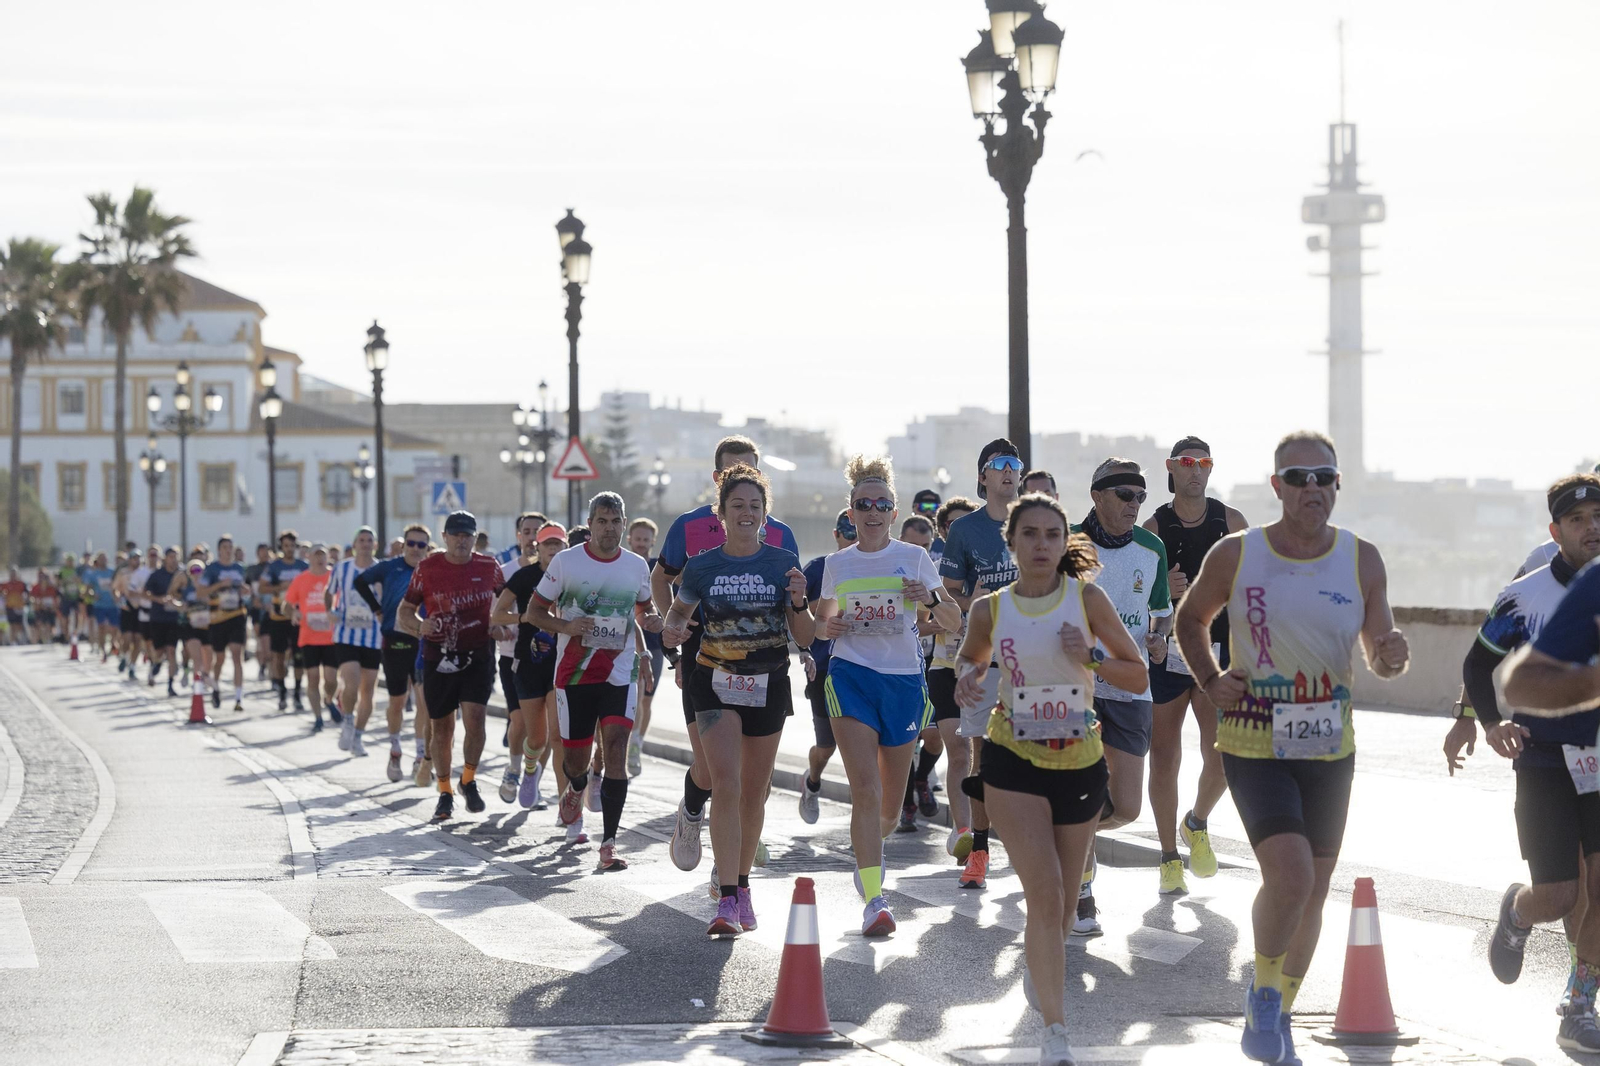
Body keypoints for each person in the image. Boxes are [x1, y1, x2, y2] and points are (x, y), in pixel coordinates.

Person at [1175, 429, 1409, 1063]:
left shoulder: (1362, 558)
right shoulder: (1237, 553)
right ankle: (1266, 993)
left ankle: (1276, 1000)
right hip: (1254, 740)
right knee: (1292, 874)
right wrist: (1210, 679)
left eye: (1324, 478)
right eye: (1299, 478)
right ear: (1276, 487)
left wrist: (1390, 655)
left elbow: (1379, 648)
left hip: (1331, 747)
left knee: (1314, 889)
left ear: (1337, 485)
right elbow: (1190, 618)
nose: (1313, 489)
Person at [955, 493, 1147, 1066]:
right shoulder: (992, 608)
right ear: (1011, 542)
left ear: (1065, 544)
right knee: (1043, 893)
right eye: (1031, 534)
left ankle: (1043, 964)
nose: (1042, 544)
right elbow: (971, 659)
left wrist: (1088, 658)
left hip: (1079, 760)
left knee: (1062, 902)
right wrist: (968, 680)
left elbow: (1136, 676)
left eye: (1052, 535)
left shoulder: (1086, 599)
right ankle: (1055, 1032)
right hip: (1013, 758)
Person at [1465, 476, 1600, 1051]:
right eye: (1578, 520)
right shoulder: (1525, 594)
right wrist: (1491, 722)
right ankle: (1518, 914)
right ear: (1556, 532)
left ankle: (1579, 1002)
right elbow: (1479, 664)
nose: (1592, 526)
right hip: (1544, 760)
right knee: (1560, 896)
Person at [662, 464, 813, 934]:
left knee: (754, 793)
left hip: (768, 682)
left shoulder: (783, 560)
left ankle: (742, 884)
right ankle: (726, 899)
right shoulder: (702, 565)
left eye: (754, 506)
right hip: (714, 679)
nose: (746, 513)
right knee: (726, 783)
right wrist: (671, 630)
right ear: (721, 513)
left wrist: (801, 602)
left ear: (764, 514)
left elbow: (804, 635)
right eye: (737, 505)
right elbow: (677, 616)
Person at [816, 455, 962, 936]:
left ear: (893, 511)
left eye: (882, 504)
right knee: (867, 790)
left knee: (887, 808)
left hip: (903, 680)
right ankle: (875, 900)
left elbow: (954, 623)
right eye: (864, 504)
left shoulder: (915, 558)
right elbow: (821, 622)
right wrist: (829, 625)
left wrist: (930, 598)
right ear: (851, 512)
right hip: (851, 676)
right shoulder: (837, 563)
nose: (873, 511)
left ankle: (867, 856)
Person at [528, 493, 662, 868]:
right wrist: (566, 626)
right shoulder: (566, 563)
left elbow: (643, 607)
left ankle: (609, 844)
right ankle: (575, 787)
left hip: (619, 672)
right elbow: (534, 612)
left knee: (617, 747)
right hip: (575, 674)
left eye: (615, 521)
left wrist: (651, 621)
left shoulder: (636, 565)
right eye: (602, 521)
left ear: (624, 522)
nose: (609, 529)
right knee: (576, 761)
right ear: (590, 524)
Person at [1068, 459, 1172, 935]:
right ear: (1098, 495)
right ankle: (1082, 892)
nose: (1134, 506)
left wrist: (1158, 639)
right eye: (1125, 496)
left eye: (1141, 498)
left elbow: (1161, 614)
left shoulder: (1151, 548)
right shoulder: (1069, 543)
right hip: (1077, 684)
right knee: (1087, 790)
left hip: (1131, 683)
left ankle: (1067, 835)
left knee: (1126, 807)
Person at [1143, 437, 1247, 897]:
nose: (1196, 471)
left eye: (1203, 463)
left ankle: (1196, 822)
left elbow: (1254, 590)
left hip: (1215, 652)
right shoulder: (1154, 526)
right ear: (1172, 467)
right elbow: (1130, 593)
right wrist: (1161, 585)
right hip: (1166, 651)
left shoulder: (1232, 522)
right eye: (1187, 463)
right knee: (1165, 758)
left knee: (1223, 756)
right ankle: (1168, 857)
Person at [939, 439, 1025, 890]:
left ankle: (1036, 844)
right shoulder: (965, 530)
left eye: (1015, 465)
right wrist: (975, 600)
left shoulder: (1037, 521)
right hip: (983, 656)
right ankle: (979, 851)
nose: (1009, 472)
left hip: (1034, 660)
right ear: (983, 477)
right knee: (982, 758)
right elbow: (949, 592)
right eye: (1000, 466)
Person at [398, 511, 507, 823]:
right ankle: (444, 790)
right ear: (444, 537)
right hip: (438, 657)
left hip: (478, 655)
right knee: (442, 727)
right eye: (456, 534)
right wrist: (421, 625)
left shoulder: (489, 566)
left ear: (474, 537)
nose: (462, 540)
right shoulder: (427, 568)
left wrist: (500, 624)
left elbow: (507, 602)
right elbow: (405, 611)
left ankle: (468, 780)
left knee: (475, 720)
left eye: (467, 535)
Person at [920, 496, 980, 847]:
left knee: (985, 758)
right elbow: (920, 623)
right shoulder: (930, 567)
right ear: (944, 531)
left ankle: (986, 828)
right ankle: (963, 831)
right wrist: (947, 612)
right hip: (945, 667)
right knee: (959, 752)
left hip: (990, 669)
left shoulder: (995, 562)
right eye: (953, 525)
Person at [494, 522, 565, 809]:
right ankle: (527, 767)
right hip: (527, 661)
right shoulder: (524, 576)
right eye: (548, 544)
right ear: (538, 548)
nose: (553, 549)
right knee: (534, 736)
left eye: (558, 544)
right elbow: (497, 615)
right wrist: (523, 618)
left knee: (556, 734)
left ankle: (551, 794)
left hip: (560, 662)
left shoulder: (571, 576)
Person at [354, 524, 431, 784]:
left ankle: (420, 755)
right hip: (394, 641)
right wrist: (377, 609)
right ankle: (395, 749)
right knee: (397, 702)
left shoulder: (430, 570)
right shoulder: (390, 567)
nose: (416, 549)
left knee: (423, 701)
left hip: (422, 643)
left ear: (427, 548)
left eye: (422, 545)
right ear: (404, 544)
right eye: (412, 543)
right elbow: (360, 581)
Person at [797, 509, 857, 825]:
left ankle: (864, 823)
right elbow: (795, 614)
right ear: (835, 535)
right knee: (827, 745)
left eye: (857, 534)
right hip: (824, 667)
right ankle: (813, 782)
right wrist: (804, 651)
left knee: (861, 746)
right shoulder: (820, 568)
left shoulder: (877, 565)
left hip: (862, 667)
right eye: (847, 535)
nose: (853, 541)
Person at [895, 513, 945, 833]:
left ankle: (922, 778)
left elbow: (945, 617)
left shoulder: (931, 572)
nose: (920, 552)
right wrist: (928, 626)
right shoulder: (892, 567)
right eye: (914, 545)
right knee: (903, 740)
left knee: (935, 736)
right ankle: (906, 804)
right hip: (899, 666)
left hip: (931, 664)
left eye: (926, 546)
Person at [493, 513, 545, 800]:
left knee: (544, 729)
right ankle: (514, 767)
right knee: (520, 722)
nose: (531, 536)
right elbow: (493, 614)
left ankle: (532, 779)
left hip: (546, 657)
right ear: (518, 537)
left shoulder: (554, 570)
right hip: (513, 656)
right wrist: (502, 627)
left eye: (537, 530)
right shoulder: (506, 571)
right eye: (526, 531)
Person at [327, 527, 384, 757]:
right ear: (354, 544)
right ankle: (348, 721)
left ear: (375, 545)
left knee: (368, 691)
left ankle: (358, 736)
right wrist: (329, 610)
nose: (365, 544)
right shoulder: (342, 568)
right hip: (345, 634)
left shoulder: (381, 569)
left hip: (372, 636)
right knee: (350, 682)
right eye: (361, 540)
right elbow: (328, 592)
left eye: (369, 540)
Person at [284, 546, 339, 733]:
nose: (320, 559)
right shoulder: (301, 579)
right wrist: (295, 612)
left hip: (331, 637)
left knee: (331, 679)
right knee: (313, 678)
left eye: (322, 555)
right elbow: (287, 606)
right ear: (309, 558)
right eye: (316, 555)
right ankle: (317, 717)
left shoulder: (335, 576)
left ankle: (329, 700)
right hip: (308, 636)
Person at [198, 537, 250, 712]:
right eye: (225, 547)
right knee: (219, 658)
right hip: (218, 618)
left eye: (230, 547)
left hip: (237, 614)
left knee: (237, 655)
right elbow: (201, 592)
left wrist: (245, 590)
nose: (228, 550)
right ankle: (216, 687)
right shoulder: (212, 569)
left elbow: (245, 588)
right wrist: (220, 585)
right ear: (219, 550)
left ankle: (238, 698)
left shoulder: (239, 568)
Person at [260, 531, 309, 712]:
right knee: (278, 657)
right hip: (278, 618)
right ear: (282, 547)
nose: (289, 549)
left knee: (298, 656)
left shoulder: (303, 566)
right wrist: (280, 586)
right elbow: (262, 587)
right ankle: (281, 691)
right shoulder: (274, 567)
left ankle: (297, 692)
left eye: (292, 546)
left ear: (296, 547)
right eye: (286, 546)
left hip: (297, 618)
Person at [627, 517, 661, 778]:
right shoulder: (624, 565)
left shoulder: (660, 570)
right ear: (630, 540)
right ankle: (631, 747)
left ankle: (637, 742)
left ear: (652, 542)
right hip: (629, 641)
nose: (641, 543)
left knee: (647, 700)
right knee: (635, 697)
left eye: (645, 540)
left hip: (655, 644)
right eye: (637, 539)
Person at [143, 548, 183, 696]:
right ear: (165, 558)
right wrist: (158, 599)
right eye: (170, 557)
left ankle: (171, 685)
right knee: (159, 651)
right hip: (158, 617)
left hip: (174, 618)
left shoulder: (182, 575)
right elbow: (144, 593)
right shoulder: (156, 575)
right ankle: (156, 663)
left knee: (172, 650)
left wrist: (178, 599)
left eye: (175, 557)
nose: (173, 559)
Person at [244, 543, 273, 680]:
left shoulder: (274, 568)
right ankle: (262, 665)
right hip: (256, 608)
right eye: (261, 552)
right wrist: (252, 600)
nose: (264, 555)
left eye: (266, 552)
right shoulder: (251, 570)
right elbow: (245, 589)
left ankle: (270, 665)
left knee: (270, 639)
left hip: (271, 607)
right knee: (260, 637)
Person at [83, 552, 118, 660]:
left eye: (105, 558)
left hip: (112, 604)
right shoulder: (94, 574)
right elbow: (86, 590)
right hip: (100, 605)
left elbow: (119, 585)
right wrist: (93, 595)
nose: (103, 561)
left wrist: (117, 595)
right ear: (97, 561)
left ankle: (113, 643)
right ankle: (103, 651)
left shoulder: (112, 572)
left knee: (114, 628)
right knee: (101, 628)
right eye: (101, 559)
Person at [28, 570, 57, 645]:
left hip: (50, 609)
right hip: (40, 609)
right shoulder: (36, 587)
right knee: (41, 624)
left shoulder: (52, 588)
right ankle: (42, 639)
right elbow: (32, 597)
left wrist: (53, 606)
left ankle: (49, 638)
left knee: (50, 625)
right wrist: (37, 602)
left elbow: (55, 598)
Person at [2, 568, 28, 645]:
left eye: (14, 574)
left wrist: (24, 600)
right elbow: (2, 593)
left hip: (19, 607)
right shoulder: (6, 584)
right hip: (10, 607)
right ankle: (12, 641)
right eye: (12, 574)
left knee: (18, 625)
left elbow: (26, 594)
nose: (13, 576)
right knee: (12, 625)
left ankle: (16, 639)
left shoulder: (21, 584)